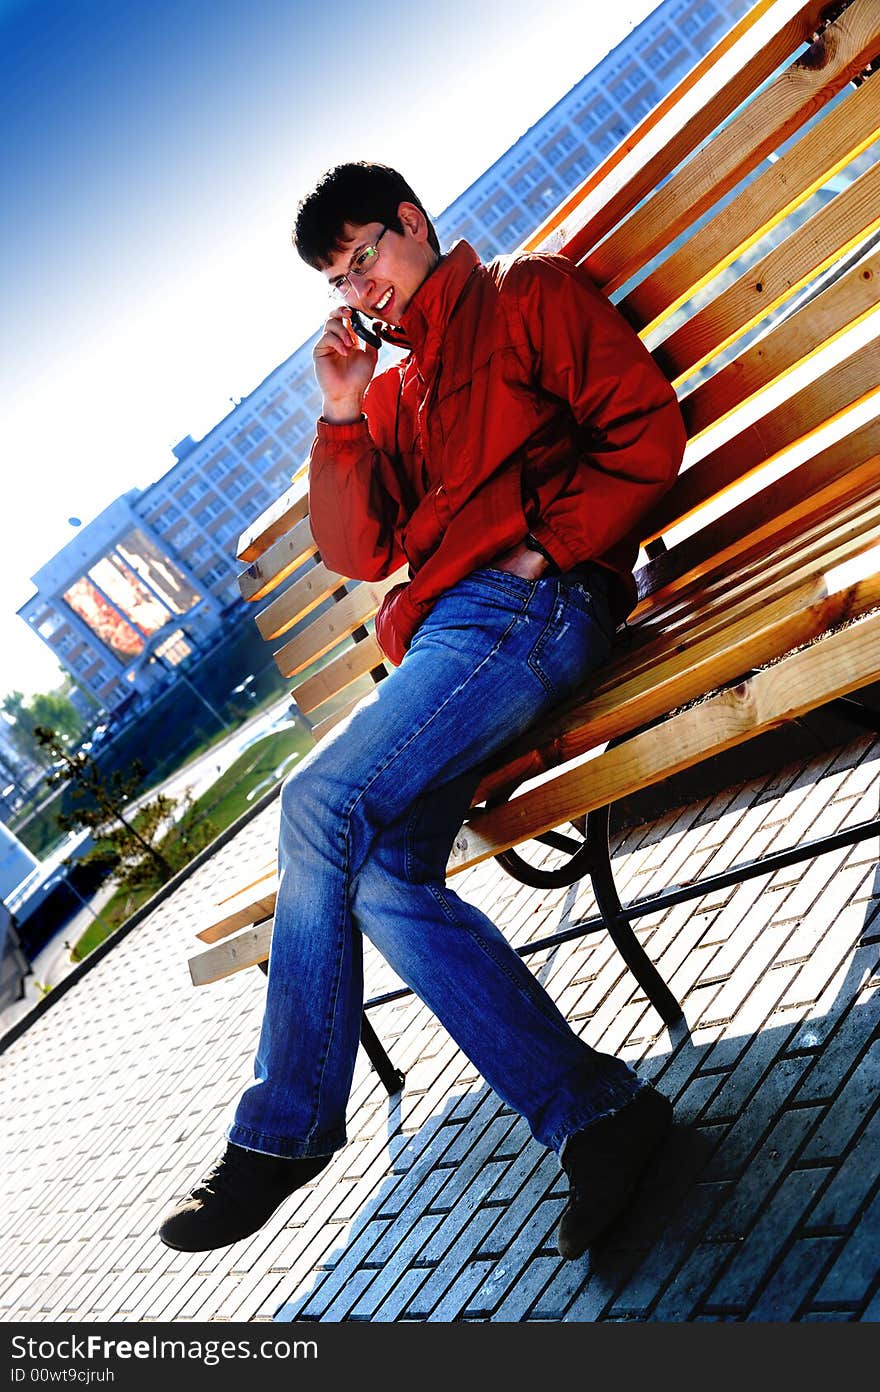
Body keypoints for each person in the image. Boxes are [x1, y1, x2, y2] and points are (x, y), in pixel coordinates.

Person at [158, 161, 687, 1259]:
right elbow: (358, 550)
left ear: (414, 222)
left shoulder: (522, 295)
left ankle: (288, 1127)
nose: (364, 293)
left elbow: (643, 429)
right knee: (377, 876)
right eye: (341, 284)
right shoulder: (392, 394)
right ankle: (600, 1116)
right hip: (461, 646)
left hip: (530, 611)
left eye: (366, 260)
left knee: (314, 805)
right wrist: (342, 414)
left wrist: (549, 552)